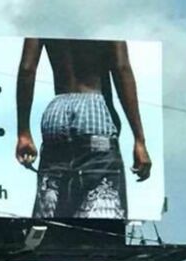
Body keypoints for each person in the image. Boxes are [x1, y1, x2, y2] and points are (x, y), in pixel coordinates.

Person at [15, 38, 151, 219]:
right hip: (95, 109)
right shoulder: (107, 14)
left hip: (57, 111)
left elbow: (27, 68)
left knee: (52, 215)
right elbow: (121, 68)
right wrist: (139, 139)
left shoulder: (43, 13)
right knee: (103, 217)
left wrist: (23, 132)